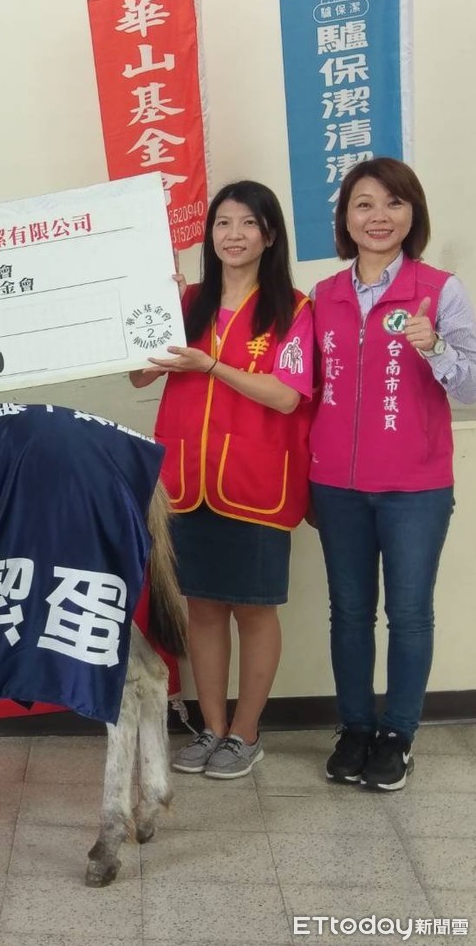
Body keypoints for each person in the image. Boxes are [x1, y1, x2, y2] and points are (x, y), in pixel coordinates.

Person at [132, 181, 314, 779]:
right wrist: (144, 310)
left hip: (256, 482)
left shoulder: (292, 308)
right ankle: (211, 727)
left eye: (248, 223)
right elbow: (139, 376)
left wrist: (211, 365)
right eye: (223, 223)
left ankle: (246, 733)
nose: (233, 235)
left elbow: (286, 396)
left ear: (269, 235)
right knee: (202, 608)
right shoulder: (187, 301)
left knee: (254, 611)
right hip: (185, 481)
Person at [310, 157, 476, 791]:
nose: (378, 216)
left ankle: (398, 735)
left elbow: (470, 385)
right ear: (345, 218)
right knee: (349, 613)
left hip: (416, 489)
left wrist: (436, 347)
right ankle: (355, 728)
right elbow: (305, 385)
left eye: (393, 203)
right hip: (337, 485)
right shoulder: (322, 296)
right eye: (364, 204)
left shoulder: (440, 289)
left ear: (413, 214)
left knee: (408, 614)